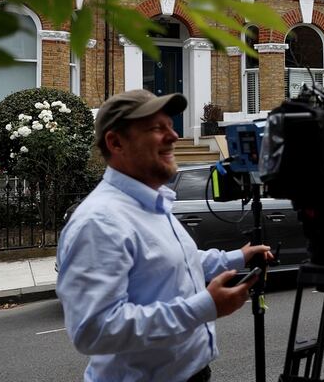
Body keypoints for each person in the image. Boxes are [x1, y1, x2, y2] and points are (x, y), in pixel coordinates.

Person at [56, 89, 272, 382]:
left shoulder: (153, 201)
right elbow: (94, 331)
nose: (173, 136)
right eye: (157, 128)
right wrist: (203, 307)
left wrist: (238, 257)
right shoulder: (100, 221)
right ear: (116, 142)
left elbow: (175, 260)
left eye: (170, 125)